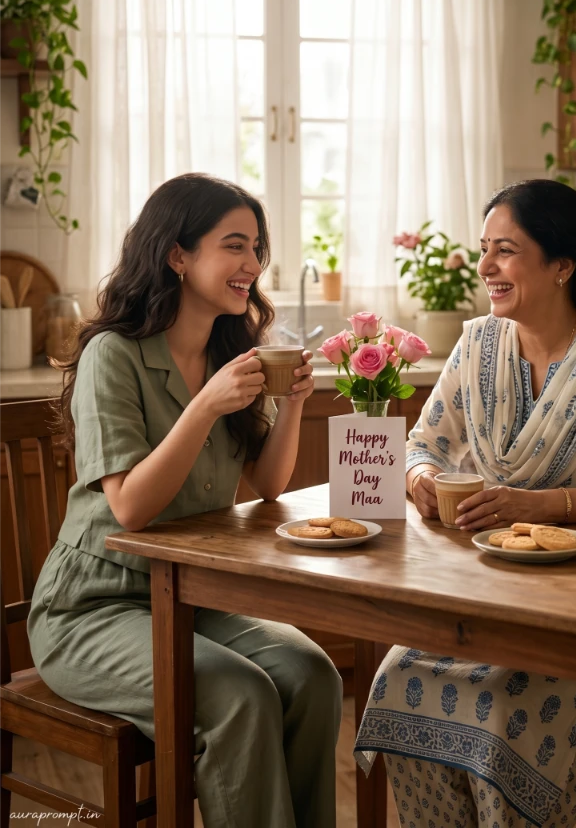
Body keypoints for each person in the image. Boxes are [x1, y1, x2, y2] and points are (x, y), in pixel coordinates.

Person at [354, 180, 576, 828]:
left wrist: (538, 506)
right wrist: (421, 478)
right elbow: (420, 444)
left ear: (561, 264)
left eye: (505, 251)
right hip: (483, 598)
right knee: (397, 680)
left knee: (499, 707)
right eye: (483, 249)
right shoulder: (477, 344)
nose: (485, 267)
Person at [27, 173, 343, 828]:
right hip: (92, 609)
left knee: (313, 673)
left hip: (192, 596)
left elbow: (270, 484)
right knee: (239, 694)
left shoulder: (232, 349)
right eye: (234, 245)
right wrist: (205, 406)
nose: (252, 263)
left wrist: (293, 404)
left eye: (256, 247)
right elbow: (130, 509)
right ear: (177, 254)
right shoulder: (112, 355)